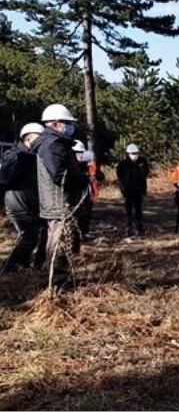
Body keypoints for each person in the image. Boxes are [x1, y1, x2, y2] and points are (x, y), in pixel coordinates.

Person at [32, 104, 88, 289]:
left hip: (59, 202)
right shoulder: (53, 145)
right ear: (55, 124)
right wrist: (81, 178)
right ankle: (59, 286)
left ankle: (60, 281)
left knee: (60, 243)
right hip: (60, 203)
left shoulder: (54, 143)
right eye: (67, 123)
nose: (70, 126)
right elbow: (60, 175)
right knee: (61, 245)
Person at [0, 123, 47, 272]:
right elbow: (3, 180)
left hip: (29, 205)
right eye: (39, 138)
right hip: (19, 205)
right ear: (28, 138)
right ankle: (10, 267)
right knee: (29, 237)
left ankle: (23, 266)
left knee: (36, 235)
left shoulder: (31, 156)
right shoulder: (17, 156)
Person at [116, 143, 150, 237]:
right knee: (129, 210)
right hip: (128, 191)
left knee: (138, 209)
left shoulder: (142, 162)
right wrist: (123, 186)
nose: (134, 155)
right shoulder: (123, 164)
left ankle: (139, 227)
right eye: (132, 153)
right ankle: (129, 227)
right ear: (128, 154)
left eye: (136, 153)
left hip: (139, 189)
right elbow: (119, 175)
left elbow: (146, 173)